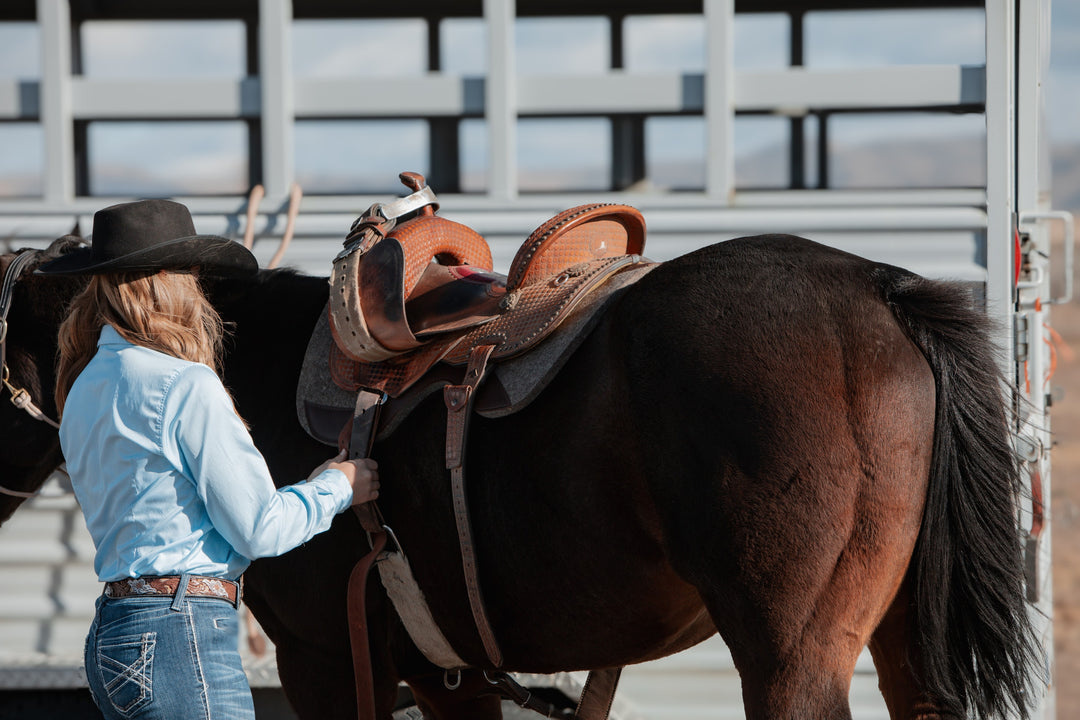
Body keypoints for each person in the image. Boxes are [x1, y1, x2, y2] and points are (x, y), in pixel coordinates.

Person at [36, 198, 379, 720]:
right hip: (180, 632)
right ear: (171, 282)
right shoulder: (184, 385)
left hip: (117, 629)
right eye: (192, 275)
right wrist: (339, 484)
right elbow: (259, 530)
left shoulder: (80, 388)